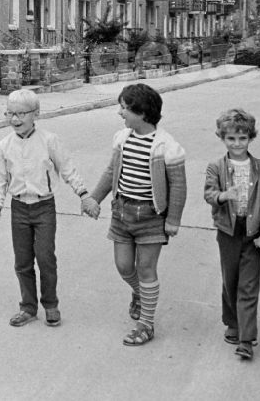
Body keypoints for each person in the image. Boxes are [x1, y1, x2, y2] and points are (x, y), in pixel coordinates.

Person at [0, 89, 99, 328]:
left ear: (35, 114)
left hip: (44, 207)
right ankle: (28, 307)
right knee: (22, 260)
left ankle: (51, 304)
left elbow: (67, 169)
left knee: (45, 257)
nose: (15, 120)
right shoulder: (4, 145)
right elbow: (0, 178)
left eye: (21, 114)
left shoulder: (49, 141)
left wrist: (83, 194)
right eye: (10, 113)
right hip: (19, 208)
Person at [90, 83, 187, 346]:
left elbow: (178, 186)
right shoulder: (122, 138)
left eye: (124, 108)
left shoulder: (166, 146)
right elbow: (112, 172)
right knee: (123, 266)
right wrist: (94, 198)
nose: (120, 113)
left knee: (146, 269)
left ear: (141, 112)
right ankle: (140, 293)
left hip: (151, 217)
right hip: (121, 212)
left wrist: (173, 219)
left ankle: (146, 324)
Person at [202, 109, 260, 360]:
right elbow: (209, 193)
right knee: (230, 280)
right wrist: (223, 196)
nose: (237, 144)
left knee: (248, 284)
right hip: (228, 232)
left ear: (251, 138)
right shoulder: (216, 166)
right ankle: (232, 322)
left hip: (252, 233)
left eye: (242, 139)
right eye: (231, 139)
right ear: (222, 138)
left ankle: (246, 338)